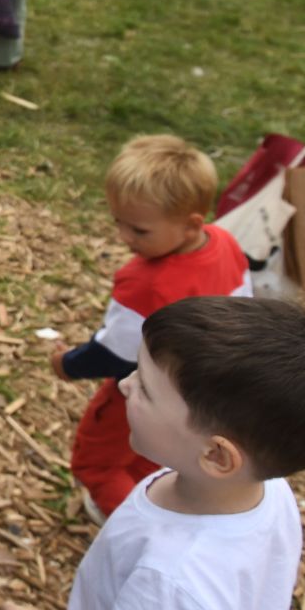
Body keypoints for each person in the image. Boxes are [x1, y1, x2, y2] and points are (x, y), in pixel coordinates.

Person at [0, 297, 305, 610]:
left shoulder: (174, 578)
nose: (123, 383)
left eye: (147, 391)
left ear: (217, 456)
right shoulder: (267, 490)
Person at [51, 137, 250, 520]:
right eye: (118, 223)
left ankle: (135, 528)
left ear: (191, 225)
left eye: (139, 231)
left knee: (98, 463)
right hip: (202, 391)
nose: (124, 238)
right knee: (158, 456)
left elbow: (115, 353)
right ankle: (157, 499)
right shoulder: (225, 242)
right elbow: (247, 304)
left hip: (145, 389)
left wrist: (67, 363)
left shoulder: (147, 283)